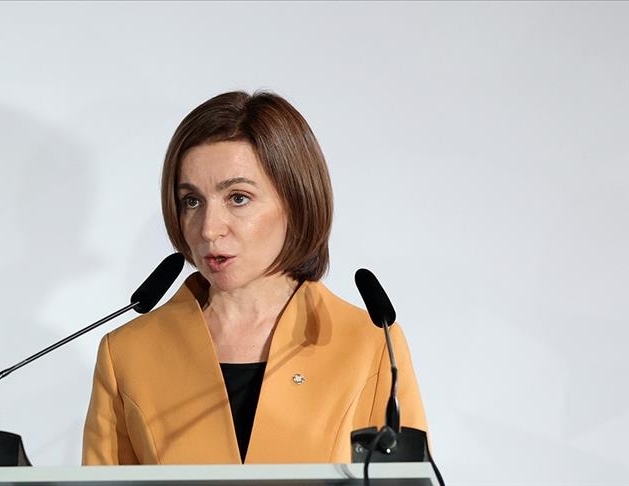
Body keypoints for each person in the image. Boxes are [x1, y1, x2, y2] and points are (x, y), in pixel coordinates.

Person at [82, 91, 427, 465]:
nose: (209, 229)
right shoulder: (127, 353)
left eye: (238, 198)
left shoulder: (370, 345)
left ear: (295, 201)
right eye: (192, 201)